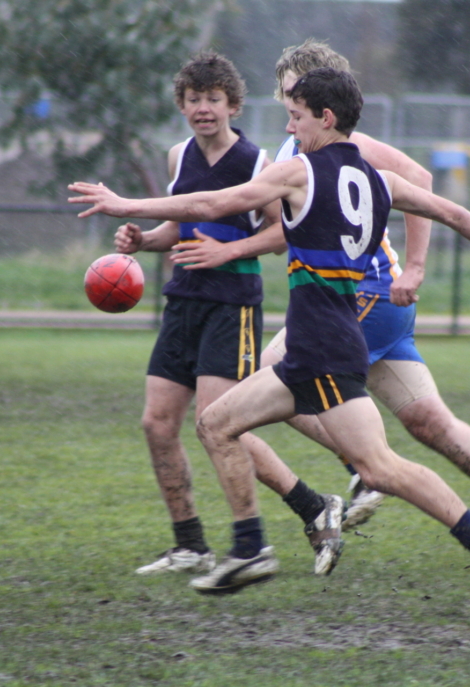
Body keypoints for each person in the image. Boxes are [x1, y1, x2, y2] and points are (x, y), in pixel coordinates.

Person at [70, 67, 470, 620]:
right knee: (217, 423)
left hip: (321, 351)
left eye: (296, 115)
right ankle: (252, 546)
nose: (289, 127)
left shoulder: (300, 172)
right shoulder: (377, 180)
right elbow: (453, 212)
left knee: (381, 468)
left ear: (326, 117)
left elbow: (209, 205)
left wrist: (126, 205)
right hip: (319, 347)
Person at [170, 39, 470, 566]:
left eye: (302, 95)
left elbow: (422, 185)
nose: (293, 107)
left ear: (326, 104)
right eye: (289, 94)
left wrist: (417, 266)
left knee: (274, 373)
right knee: (430, 423)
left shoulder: (342, 146)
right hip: (369, 302)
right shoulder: (299, 150)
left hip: (367, 295)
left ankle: (361, 468)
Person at [113, 52, 346, 580]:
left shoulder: (257, 163)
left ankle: (291, 518)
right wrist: (142, 240)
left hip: (232, 305)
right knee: (157, 424)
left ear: (232, 105)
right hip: (184, 301)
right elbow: (179, 226)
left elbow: (283, 233)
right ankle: (190, 544)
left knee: (217, 424)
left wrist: (229, 252)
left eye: (213, 99)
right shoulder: (179, 157)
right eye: (193, 99)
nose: (203, 109)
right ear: (182, 105)